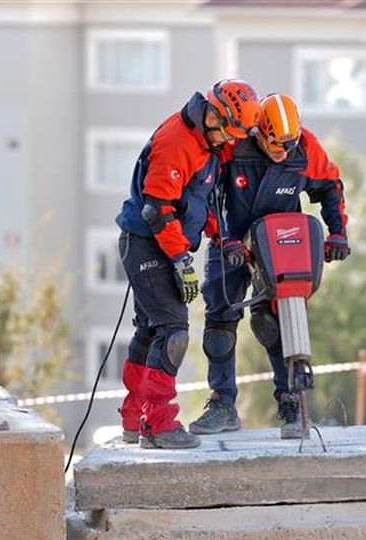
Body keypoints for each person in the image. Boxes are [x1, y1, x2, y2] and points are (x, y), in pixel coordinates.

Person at [190, 92, 350, 439]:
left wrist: (337, 232)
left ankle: (292, 403)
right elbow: (209, 195)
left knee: (276, 320)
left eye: (288, 147)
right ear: (259, 133)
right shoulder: (234, 148)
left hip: (280, 240)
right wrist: (223, 238)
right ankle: (222, 404)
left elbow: (330, 186)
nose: (283, 154)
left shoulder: (304, 148)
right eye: (277, 146)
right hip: (231, 243)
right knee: (220, 323)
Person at [114, 79, 262, 449]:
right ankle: (159, 425)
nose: (231, 141)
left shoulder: (207, 143)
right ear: (214, 116)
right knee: (174, 331)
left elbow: (201, 201)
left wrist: (222, 236)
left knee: (150, 330)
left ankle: (135, 418)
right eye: (229, 132)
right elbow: (158, 211)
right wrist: (182, 260)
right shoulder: (176, 142)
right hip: (147, 243)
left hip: (165, 244)